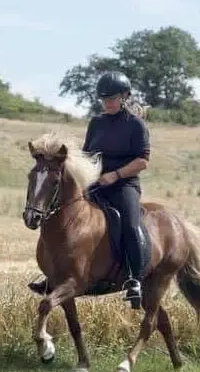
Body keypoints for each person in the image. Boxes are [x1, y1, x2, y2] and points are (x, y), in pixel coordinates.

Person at [28, 70, 151, 308]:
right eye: (104, 99)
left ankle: (134, 279)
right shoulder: (96, 123)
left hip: (124, 184)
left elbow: (143, 161)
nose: (107, 103)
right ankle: (56, 274)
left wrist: (114, 175)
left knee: (131, 223)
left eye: (112, 98)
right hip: (96, 183)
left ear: (125, 96)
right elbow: (87, 155)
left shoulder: (136, 125)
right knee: (65, 215)